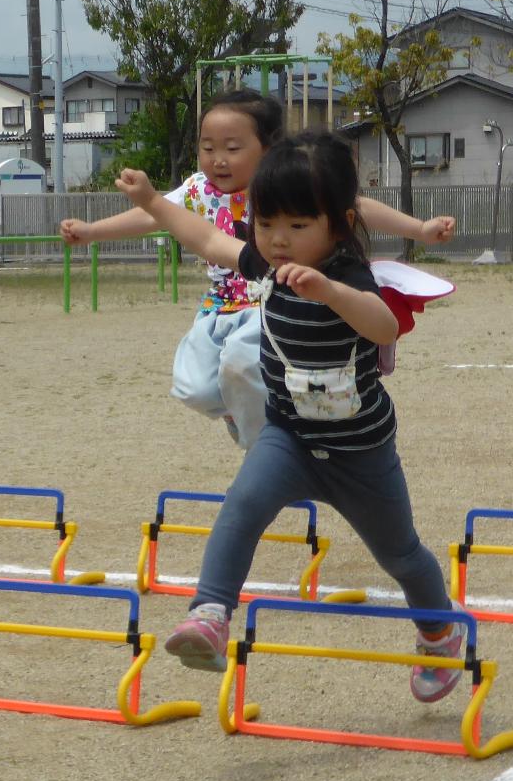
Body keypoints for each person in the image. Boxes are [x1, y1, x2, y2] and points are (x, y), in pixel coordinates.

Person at [117, 132, 465, 701]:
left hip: (360, 453)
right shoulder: (265, 259)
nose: (278, 240)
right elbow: (207, 238)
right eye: (267, 223)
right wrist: (154, 202)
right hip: (290, 436)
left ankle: (438, 632)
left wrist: (329, 291)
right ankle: (210, 612)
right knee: (242, 505)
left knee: (399, 553)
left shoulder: (349, 274)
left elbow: (383, 326)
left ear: (339, 224)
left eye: (298, 226)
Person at [59, 88, 455, 448]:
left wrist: (419, 229)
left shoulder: (282, 186)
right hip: (218, 306)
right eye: (207, 147)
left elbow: (357, 206)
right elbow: (154, 214)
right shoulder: (196, 190)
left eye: (232, 148)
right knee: (192, 387)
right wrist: (92, 231)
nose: (218, 159)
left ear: (268, 149)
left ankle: (266, 449)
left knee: (242, 362)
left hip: (267, 301)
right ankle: (241, 413)